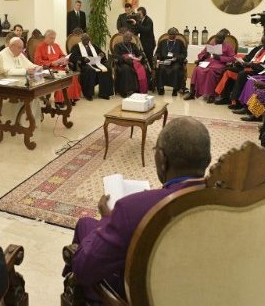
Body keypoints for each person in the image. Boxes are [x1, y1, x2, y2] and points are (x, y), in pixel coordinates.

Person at [66, 117, 211, 303]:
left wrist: (107, 221)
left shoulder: (133, 208)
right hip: (198, 286)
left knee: (85, 231)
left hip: (143, 295)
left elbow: (83, 269)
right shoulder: (228, 200)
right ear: (208, 160)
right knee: (86, 224)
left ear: (161, 159)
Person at [214, 33, 265, 108]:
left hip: (260, 71)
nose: (263, 44)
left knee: (242, 74)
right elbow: (248, 57)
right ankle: (225, 97)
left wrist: (251, 65)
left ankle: (237, 102)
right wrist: (241, 62)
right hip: (249, 67)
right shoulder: (259, 48)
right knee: (228, 70)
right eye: (262, 42)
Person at [34, 29, 81, 106]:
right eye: (51, 38)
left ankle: (70, 98)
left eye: (54, 38)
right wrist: (51, 63)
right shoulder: (40, 47)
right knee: (60, 77)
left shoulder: (56, 46)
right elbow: (37, 61)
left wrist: (63, 60)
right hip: (49, 68)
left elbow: (62, 55)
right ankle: (60, 101)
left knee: (72, 76)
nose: (53, 40)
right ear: (46, 37)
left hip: (59, 67)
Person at [184, 31, 235, 102]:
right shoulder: (211, 45)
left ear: (223, 39)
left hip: (219, 64)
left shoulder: (228, 47)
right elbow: (200, 55)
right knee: (197, 69)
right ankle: (192, 92)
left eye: (220, 39)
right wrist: (205, 54)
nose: (218, 40)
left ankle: (211, 95)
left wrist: (220, 58)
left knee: (210, 71)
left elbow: (232, 58)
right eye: (217, 38)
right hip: (208, 62)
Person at [69, 33, 113, 100]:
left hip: (96, 63)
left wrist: (102, 54)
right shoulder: (76, 47)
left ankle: (104, 93)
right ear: (81, 39)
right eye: (84, 40)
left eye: (87, 40)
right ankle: (88, 94)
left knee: (107, 69)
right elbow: (72, 57)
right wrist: (83, 59)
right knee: (89, 70)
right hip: (84, 64)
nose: (86, 41)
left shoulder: (93, 46)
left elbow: (101, 53)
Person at [113, 31, 150, 97]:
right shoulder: (118, 46)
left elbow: (140, 53)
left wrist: (140, 57)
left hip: (134, 62)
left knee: (142, 68)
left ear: (131, 39)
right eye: (125, 37)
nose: (126, 39)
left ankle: (138, 89)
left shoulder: (133, 45)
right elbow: (116, 56)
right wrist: (124, 58)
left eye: (128, 38)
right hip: (123, 63)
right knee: (126, 69)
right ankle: (124, 91)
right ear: (123, 38)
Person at [154, 28, 187, 96]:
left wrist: (176, 58)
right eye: (170, 34)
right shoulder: (162, 42)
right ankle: (161, 88)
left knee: (176, 69)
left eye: (173, 34)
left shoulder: (180, 43)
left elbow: (184, 54)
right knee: (161, 68)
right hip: (164, 61)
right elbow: (157, 53)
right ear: (168, 34)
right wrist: (157, 58)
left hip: (175, 62)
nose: (172, 35)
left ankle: (175, 89)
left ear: (176, 35)